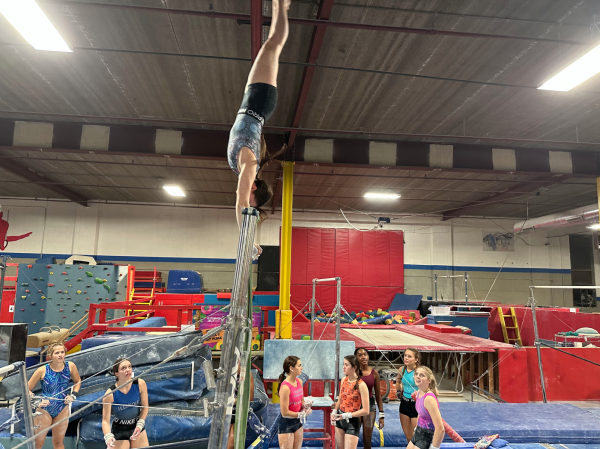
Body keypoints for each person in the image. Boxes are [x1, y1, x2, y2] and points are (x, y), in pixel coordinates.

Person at [228, 0, 291, 256]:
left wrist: (247, 237)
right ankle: (281, 6)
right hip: (260, 101)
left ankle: (280, 5)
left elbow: (242, 202)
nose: (244, 193)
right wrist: (248, 238)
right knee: (273, 44)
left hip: (251, 101)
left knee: (272, 45)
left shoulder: (242, 167)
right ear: (254, 188)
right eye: (250, 197)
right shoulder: (250, 166)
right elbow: (241, 203)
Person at [27, 342, 81, 449]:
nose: (60, 355)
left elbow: (78, 381)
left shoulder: (70, 366)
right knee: (37, 445)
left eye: (62, 352)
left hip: (62, 407)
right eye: (57, 353)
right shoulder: (42, 370)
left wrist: (73, 395)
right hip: (45, 408)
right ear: (50, 356)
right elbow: (27, 389)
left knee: (59, 443)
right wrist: (36, 401)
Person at [102, 358, 149, 449]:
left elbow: (145, 407)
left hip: (136, 425)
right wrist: (108, 437)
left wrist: (140, 424)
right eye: (123, 368)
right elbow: (105, 421)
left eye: (129, 367)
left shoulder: (140, 384)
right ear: (117, 374)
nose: (128, 370)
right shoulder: (110, 394)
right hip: (120, 428)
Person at [331, 355, 370, 449]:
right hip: (340, 419)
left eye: (346, 365)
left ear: (354, 367)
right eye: (343, 364)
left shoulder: (361, 385)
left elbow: (366, 410)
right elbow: (340, 399)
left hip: (352, 422)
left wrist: (346, 415)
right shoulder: (344, 380)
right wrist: (334, 411)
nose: (343, 367)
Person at [277, 356, 312, 449]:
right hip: (286, 424)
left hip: (298, 424)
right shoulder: (285, 387)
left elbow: (301, 401)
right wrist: (301, 414)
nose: (302, 368)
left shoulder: (299, 381)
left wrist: (306, 406)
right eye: (299, 365)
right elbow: (284, 413)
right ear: (291, 368)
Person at [407, 366, 444, 449]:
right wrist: (416, 427)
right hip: (418, 432)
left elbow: (440, 429)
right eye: (416, 374)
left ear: (429, 381)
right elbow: (420, 414)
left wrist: (434, 447)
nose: (418, 376)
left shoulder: (429, 399)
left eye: (422, 375)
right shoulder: (420, 392)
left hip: (427, 437)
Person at [354, 348, 384, 449]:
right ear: (356, 358)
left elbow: (378, 394)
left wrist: (381, 415)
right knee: (353, 439)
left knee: (367, 440)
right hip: (356, 406)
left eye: (365, 354)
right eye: (360, 355)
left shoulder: (374, 373)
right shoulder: (353, 372)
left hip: (370, 407)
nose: (363, 357)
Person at [226, 363, 255, 449]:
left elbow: (249, 399)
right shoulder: (226, 374)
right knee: (223, 442)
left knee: (230, 445)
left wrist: (233, 401)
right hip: (227, 411)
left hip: (240, 411)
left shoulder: (247, 375)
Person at [396, 347, 420, 443]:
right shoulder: (402, 369)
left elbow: (431, 388)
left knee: (416, 438)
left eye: (409, 356)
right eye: (405, 355)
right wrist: (398, 391)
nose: (406, 358)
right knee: (409, 437)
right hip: (404, 404)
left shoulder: (419, 371)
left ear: (416, 359)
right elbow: (398, 381)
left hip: (416, 406)